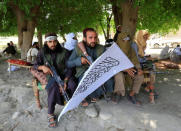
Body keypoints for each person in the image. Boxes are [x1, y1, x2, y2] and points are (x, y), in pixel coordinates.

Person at [33, 32, 77, 128]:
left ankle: (69, 102)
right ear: (46, 43)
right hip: (52, 76)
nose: (53, 44)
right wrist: (42, 67)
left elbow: (70, 67)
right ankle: (50, 113)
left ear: (57, 41)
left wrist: (65, 81)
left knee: (72, 84)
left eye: (54, 41)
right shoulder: (42, 52)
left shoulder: (65, 51)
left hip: (65, 75)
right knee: (53, 88)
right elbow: (35, 65)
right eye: (50, 42)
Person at [67, 28, 114, 106]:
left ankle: (98, 95)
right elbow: (68, 63)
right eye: (90, 38)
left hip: (98, 70)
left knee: (108, 78)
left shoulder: (101, 48)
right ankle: (87, 97)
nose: (93, 40)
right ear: (84, 38)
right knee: (86, 80)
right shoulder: (78, 49)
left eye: (95, 37)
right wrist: (79, 61)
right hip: (83, 72)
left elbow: (108, 61)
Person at [112, 25, 144, 105]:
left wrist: (139, 69)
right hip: (118, 70)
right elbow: (113, 65)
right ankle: (118, 94)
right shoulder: (113, 50)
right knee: (119, 76)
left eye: (127, 40)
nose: (125, 42)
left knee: (140, 76)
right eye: (123, 40)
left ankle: (132, 94)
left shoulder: (131, 49)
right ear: (119, 40)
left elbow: (135, 61)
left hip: (130, 69)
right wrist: (125, 69)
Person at [132, 30, 156, 104]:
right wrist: (146, 58)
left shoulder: (141, 43)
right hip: (136, 64)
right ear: (140, 36)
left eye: (147, 36)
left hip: (141, 63)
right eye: (144, 35)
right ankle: (150, 91)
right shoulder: (134, 44)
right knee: (150, 72)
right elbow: (136, 58)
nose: (146, 37)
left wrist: (147, 57)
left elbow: (141, 56)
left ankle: (149, 88)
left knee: (153, 68)